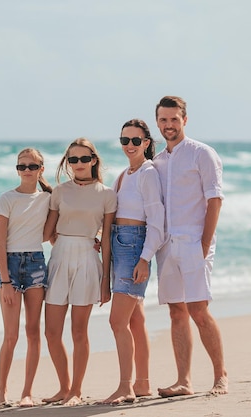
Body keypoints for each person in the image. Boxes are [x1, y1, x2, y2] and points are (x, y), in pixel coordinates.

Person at [153, 96, 229, 397]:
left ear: (184, 120)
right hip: (167, 245)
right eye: (163, 120)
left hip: (195, 242)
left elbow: (215, 200)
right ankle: (184, 381)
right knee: (176, 311)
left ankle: (220, 376)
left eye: (173, 119)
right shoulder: (157, 161)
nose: (168, 125)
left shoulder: (202, 154)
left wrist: (204, 243)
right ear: (158, 122)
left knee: (198, 308)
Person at [41, 138, 116, 406]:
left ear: (94, 160)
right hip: (60, 258)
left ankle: (76, 390)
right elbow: (47, 233)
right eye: (73, 159)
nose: (79, 164)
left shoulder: (107, 194)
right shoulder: (59, 192)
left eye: (84, 159)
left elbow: (106, 239)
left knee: (79, 332)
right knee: (51, 332)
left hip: (87, 259)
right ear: (68, 163)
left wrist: (106, 279)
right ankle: (63, 387)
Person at [100, 119, 165, 404]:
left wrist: (144, 259)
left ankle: (125, 386)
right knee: (136, 321)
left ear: (147, 144)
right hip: (119, 243)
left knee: (117, 321)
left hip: (134, 247)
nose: (129, 145)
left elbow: (157, 222)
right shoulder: (125, 174)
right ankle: (142, 384)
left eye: (135, 141)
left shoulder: (148, 173)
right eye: (124, 140)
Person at [0, 148, 52, 407]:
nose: (26, 170)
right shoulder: (7, 199)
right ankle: (1, 390)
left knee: (32, 331)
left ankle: (27, 392)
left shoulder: (49, 199)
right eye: (21, 166)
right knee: (11, 335)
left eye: (32, 166)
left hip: (36, 264)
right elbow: (0, 244)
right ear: (17, 170)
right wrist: (5, 282)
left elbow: (53, 233)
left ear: (41, 169)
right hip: (11, 264)